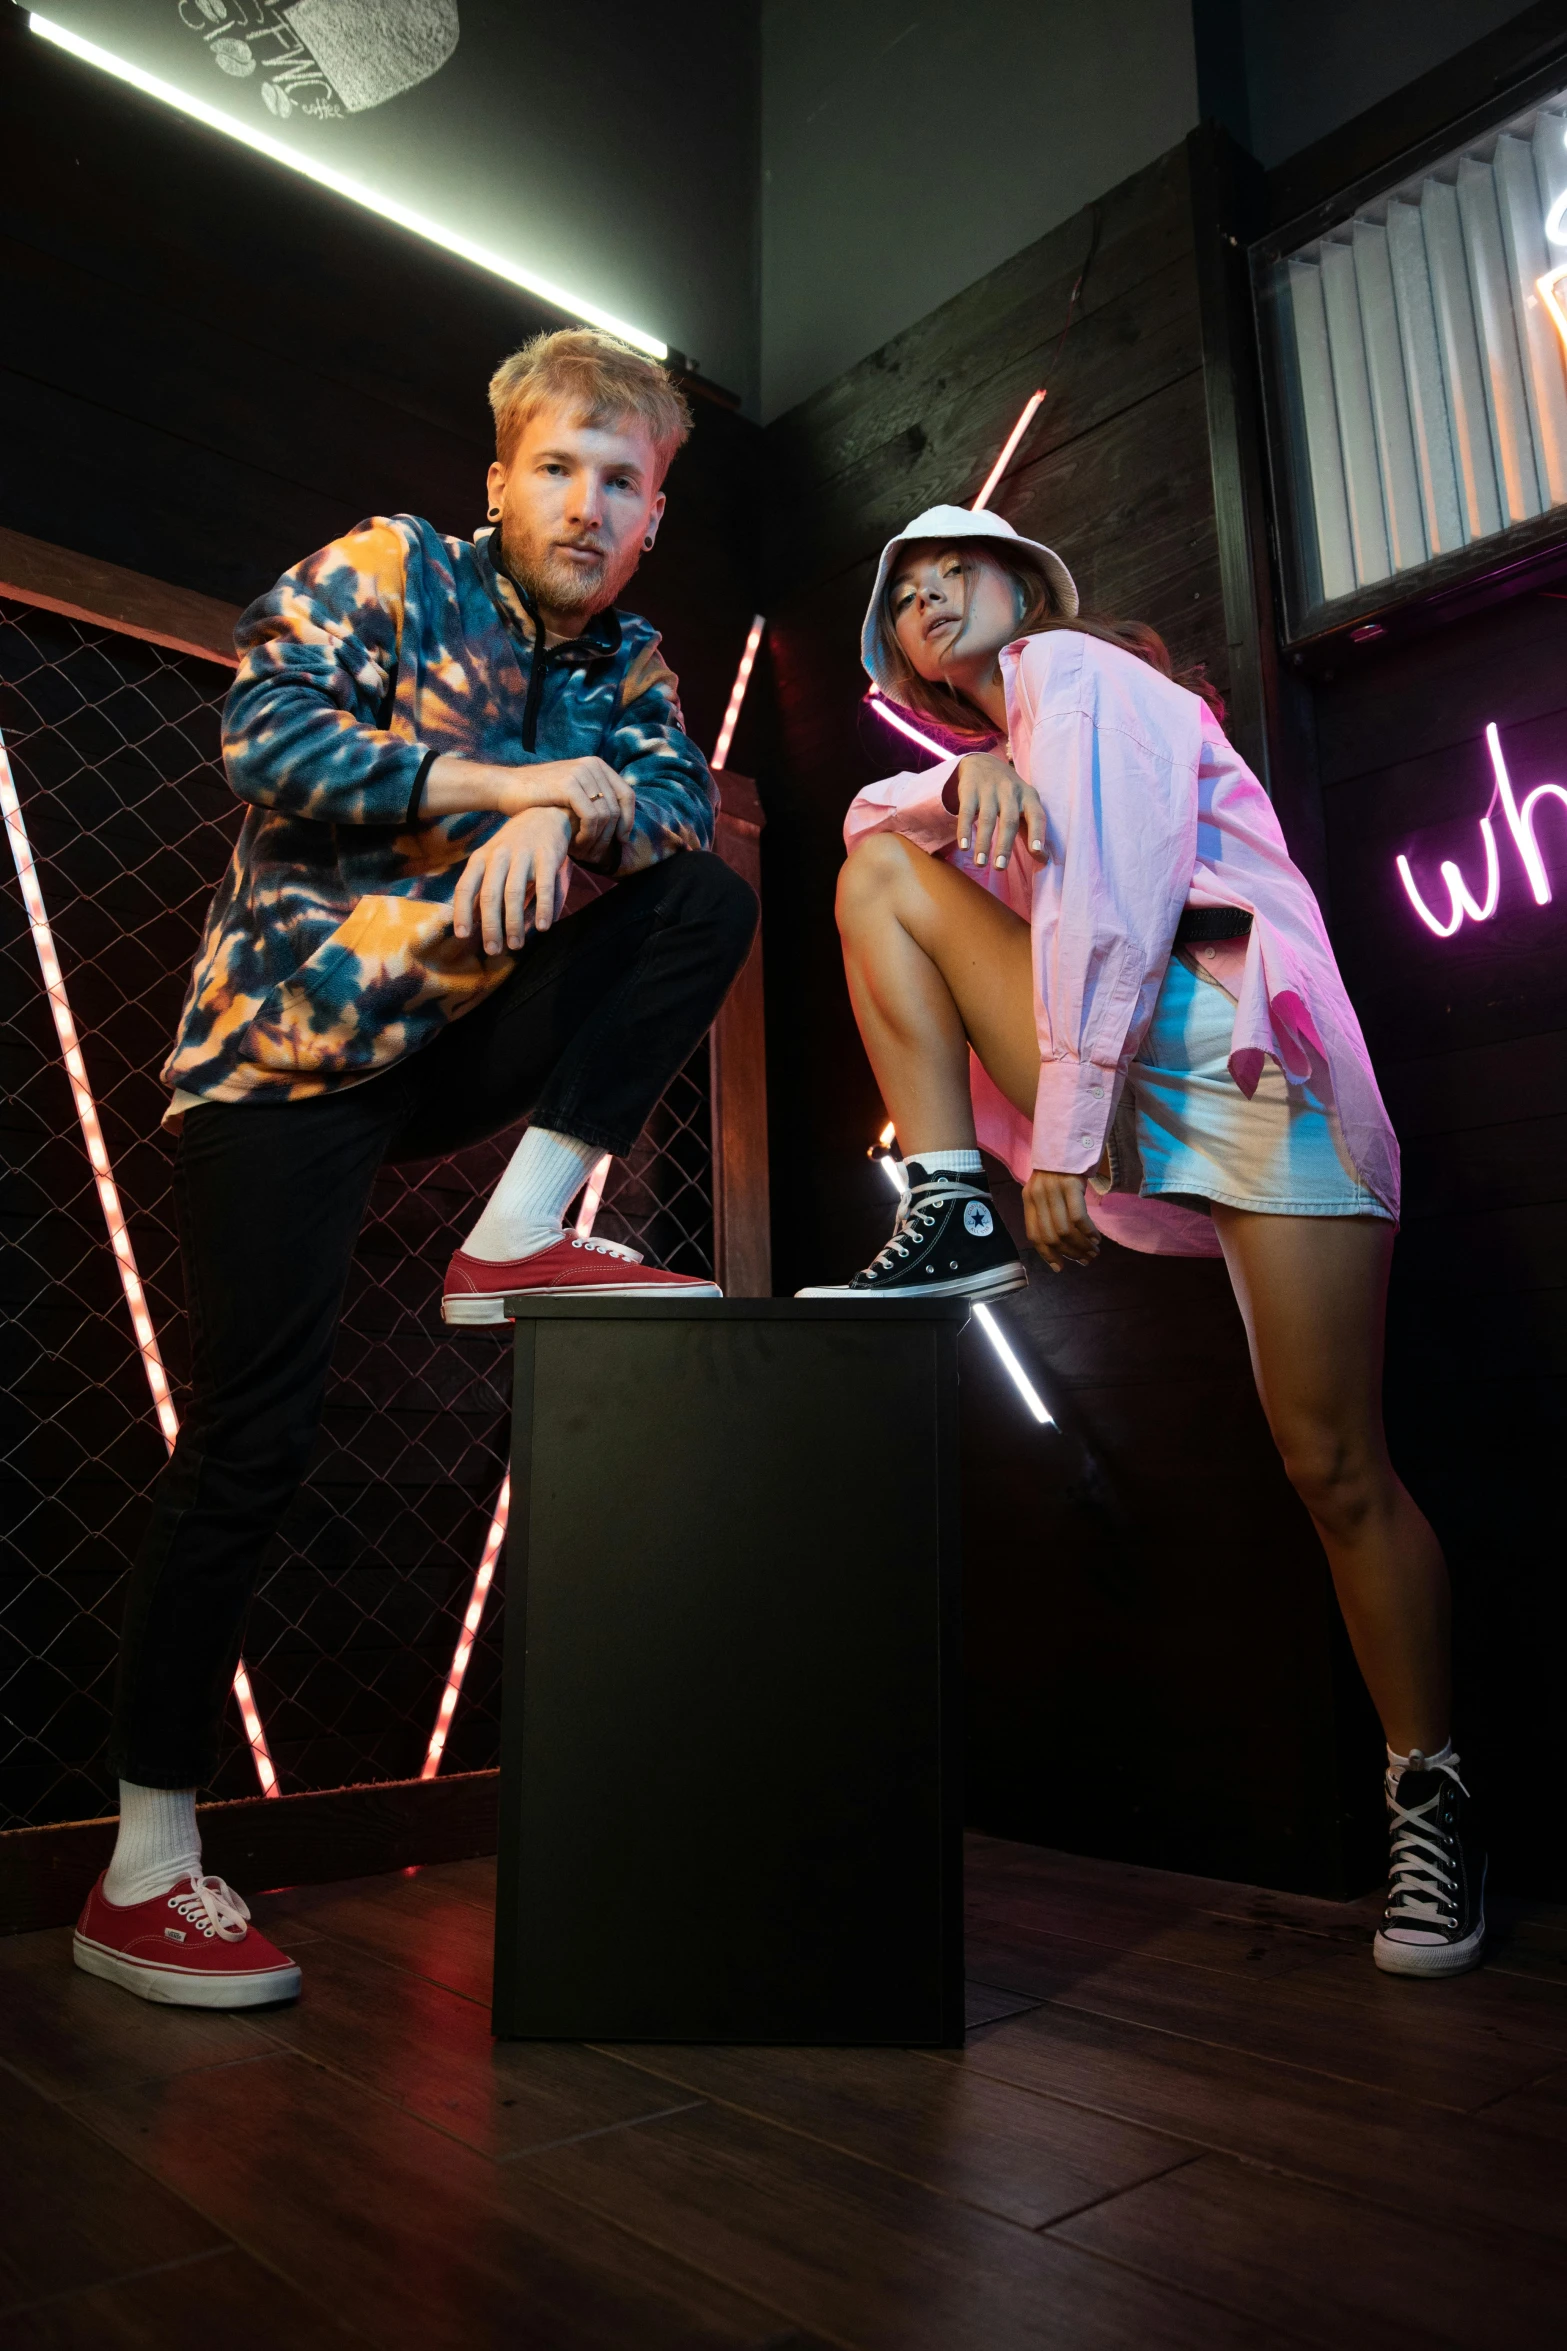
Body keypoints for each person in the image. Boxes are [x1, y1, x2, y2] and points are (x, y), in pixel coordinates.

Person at [73, 329, 757, 2008]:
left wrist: (573, 812)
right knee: (254, 1438)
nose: (588, 505)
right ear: (498, 478)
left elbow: (668, 803)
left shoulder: (635, 667)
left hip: (447, 1037)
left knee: (706, 896)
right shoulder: (389, 569)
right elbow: (272, 740)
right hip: (283, 1055)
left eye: (625, 481)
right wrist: (505, 780)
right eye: (559, 467)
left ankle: (515, 1235)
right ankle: (141, 1868)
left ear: (653, 514)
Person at [798, 503, 1483, 1979]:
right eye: (904, 596)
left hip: (1247, 1060)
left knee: (1331, 1460)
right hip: (1117, 1058)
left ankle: (1427, 1791)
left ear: (1023, 585)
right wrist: (960, 779)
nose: (930, 599)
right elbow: (870, 834)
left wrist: (1066, 1123)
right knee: (875, 877)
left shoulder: (1082, 678)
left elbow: (1109, 904)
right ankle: (948, 1199)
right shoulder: (999, 758)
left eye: (952, 572)